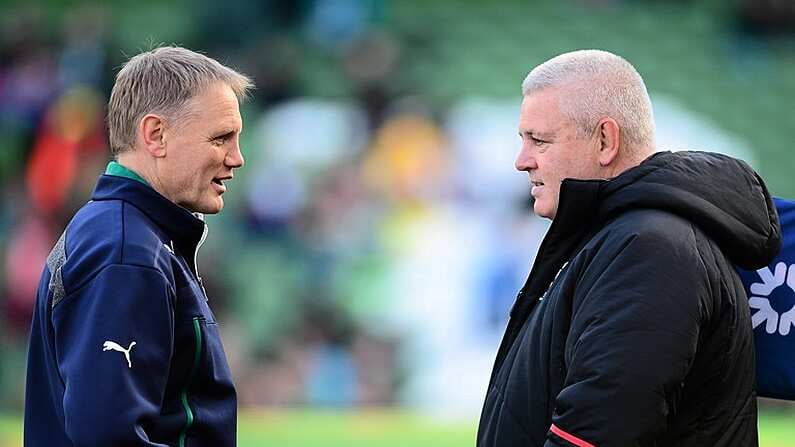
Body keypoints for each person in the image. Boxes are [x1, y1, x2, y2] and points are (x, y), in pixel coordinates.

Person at [477, 50, 781, 447]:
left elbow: (598, 431)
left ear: (605, 140)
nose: (522, 161)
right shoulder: (629, 237)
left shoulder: (651, 250)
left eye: (539, 140)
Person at [24, 46, 253, 446]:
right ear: (156, 135)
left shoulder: (128, 235)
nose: (237, 158)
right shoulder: (126, 252)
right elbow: (110, 438)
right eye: (221, 139)